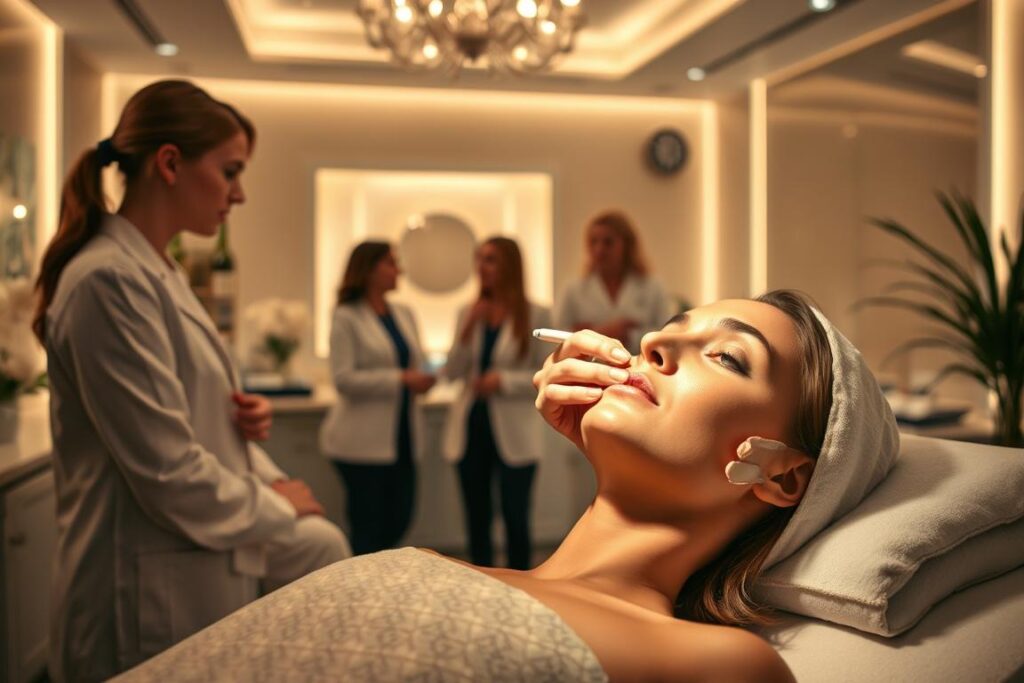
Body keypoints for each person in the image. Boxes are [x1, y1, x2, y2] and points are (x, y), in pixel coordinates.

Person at [113, 290, 899, 683]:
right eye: (672, 328)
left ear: (781, 474)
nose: (655, 343)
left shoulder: (725, 663)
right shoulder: (464, 569)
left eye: (726, 356)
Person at [32, 79, 350, 682]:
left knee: (324, 550)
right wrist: (276, 504)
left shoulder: (159, 272)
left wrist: (233, 421)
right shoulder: (108, 280)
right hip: (139, 588)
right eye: (230, 172)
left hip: (183, 568)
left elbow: (175, 414)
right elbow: (166, 470)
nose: (240, 195)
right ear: (170, 163)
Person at [319, 241, 436, 555]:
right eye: (391, 263)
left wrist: (420, 379)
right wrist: (400, 379)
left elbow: (414, 362)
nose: (400, 270)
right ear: (368, 270)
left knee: (401, 519)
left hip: (404, 437)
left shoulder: (405, 313)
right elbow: (343, 380)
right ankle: (363, 597)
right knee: (368, 528)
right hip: (360, 442)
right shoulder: (346, 316)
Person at [442, 236, 552, 569]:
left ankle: (521, 581)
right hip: (472, 423)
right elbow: (451, 372)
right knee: (477, 515)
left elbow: (546, 372)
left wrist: (502, 381)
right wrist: (468, 327)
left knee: (516, 515)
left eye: (489, 259)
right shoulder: (467, 312)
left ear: (508, 266)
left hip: (515, 431)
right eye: (479, 259)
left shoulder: (537, 313)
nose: (481, 267)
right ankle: (481, 581)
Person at [555, 209, 675, 354]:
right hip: (588, 368)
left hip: (640, 364)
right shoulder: (573, 289)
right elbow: (558, 336)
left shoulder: (652, 287)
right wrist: (603, 332)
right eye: (593, 242)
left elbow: (668, 334)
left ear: (627, 245)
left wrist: (630, 336)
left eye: (608, 242)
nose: (599, 249)